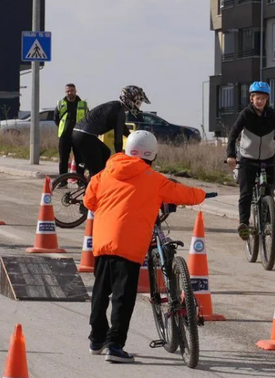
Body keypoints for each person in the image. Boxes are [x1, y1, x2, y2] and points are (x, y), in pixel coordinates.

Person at [83, 130, 206, 363]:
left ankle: (96, 339)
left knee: (101, 291)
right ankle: (115, 345)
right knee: (123, 297)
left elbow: (89, 200)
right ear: (153, 155)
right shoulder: (154, 179)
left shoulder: (104, 174)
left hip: (102, 242)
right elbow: (183, 194)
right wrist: (202, 194)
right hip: (129, 246)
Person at [226, 81, 275, 241]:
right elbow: (233, 134)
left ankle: (267, 222)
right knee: (245, 193)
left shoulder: (272, 115)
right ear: (251, 99)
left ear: (267, 100)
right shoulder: (245, 115)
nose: (260, 101)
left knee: (269, 193)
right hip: (247, 159)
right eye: (257, 98)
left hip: (267, 159)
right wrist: (231, 155)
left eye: (263, 98)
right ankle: (244, 224)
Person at [72, 85, 149, 177]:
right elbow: (118, 139)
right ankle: (92, 185)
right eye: (138, 103)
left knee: (105, 152)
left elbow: (122, 128)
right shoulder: (119, 111)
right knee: (96, 172)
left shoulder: (116, 107)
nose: (138, 106)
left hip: (77, 133)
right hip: (86, 136)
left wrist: (132, 138)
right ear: (130, 101)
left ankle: (87, 177)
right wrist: (120, 156)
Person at [55, 83, 89, 176]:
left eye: (71, 91)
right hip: (64, 136)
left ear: (75, 91)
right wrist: (63, 128)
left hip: (78, 136)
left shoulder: (83, 104)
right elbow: (56, 119)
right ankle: (63, 181)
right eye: (67, 91)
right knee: (63, 159)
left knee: (80, 159)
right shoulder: (60, 104)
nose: (70, 93)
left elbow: (88, 119)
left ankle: (80, 180)